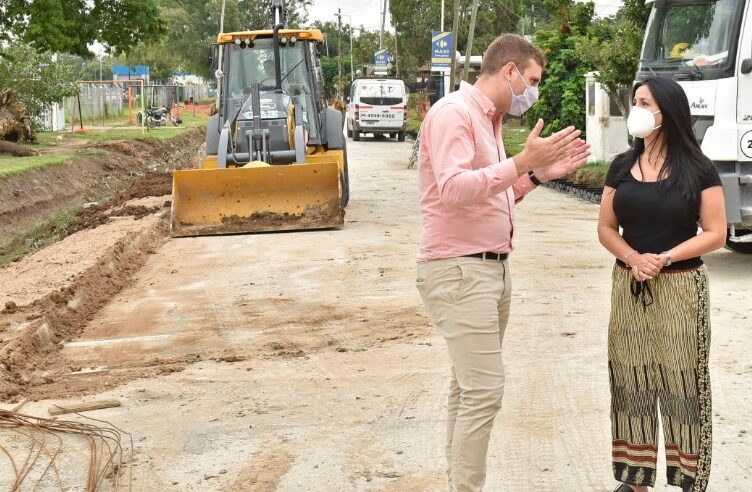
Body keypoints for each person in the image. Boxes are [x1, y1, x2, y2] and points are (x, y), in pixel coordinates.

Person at [415, 33, 591, 491]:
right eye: (531, 80)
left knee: (468, 389)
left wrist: (534, 173)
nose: (532, 91)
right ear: (509, 71)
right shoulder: (454, 113)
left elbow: (493, 195)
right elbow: (453, 190)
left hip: (489, 269)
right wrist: (519, 161)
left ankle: (460, 485)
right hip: (459, 269)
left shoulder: (488, 121)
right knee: (484, 391)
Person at [597, 76, 726, 492]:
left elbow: (715, 232)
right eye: (634, 101)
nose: (636, 109)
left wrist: (666, 257)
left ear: (667, 111)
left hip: (681, 289)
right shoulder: (621, 165)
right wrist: (632, 257)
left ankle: (689, 477)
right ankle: (635, 480)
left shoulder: (698, 168)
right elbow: (605, 227)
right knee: (631, 379)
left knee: (683, 381)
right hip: (630, 287)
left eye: (645, 102)